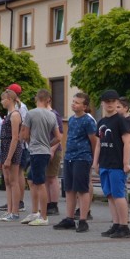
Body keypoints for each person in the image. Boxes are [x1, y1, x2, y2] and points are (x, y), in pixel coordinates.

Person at [53, 92, 97, 232]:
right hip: (69, 157)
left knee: (82, 189)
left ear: (84, 106)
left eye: (77, 102)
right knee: (69, 189)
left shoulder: (88, 121)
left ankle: (83, 219)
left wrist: (94, 159)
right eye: (73, 101)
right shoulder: (71, 119)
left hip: (82, 157)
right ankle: (69, 218)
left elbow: (94, 141)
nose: (74, 104)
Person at [20, 89, 62, 226]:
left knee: (39, 183)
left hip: (36, 151)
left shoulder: (31, 113)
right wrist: (48, 144)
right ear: (48, 100)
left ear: (36, 98)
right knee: (31, 179)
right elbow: (59, 137)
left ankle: (43, 216)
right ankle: (35, 212)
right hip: (44, 150)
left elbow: (25, 135)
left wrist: (29, 141)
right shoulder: (52, 115)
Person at [97, 89, 130, 238]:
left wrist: (125, 163)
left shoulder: (121, 120)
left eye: (113, 102)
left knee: (119, 196)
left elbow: (127, 142)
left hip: (117, 164)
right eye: (107, 102)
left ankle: (124, 227)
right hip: (105, 163)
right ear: (103, 103)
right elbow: (99, 144)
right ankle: (116, 224)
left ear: (117, 103)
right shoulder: (101, 122)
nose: (110, 104)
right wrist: (96, 162)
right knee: (110, 196)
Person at [0, 85, 23, 221]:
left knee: (13, 181)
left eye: (3, 99)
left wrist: (8, 158)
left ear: (9, 99)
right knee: (7, 181)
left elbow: (15, 137)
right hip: (5, 147)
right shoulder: (8, 115)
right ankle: (9, 210)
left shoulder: (15, 115)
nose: (1, 102)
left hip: (12, 149)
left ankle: (15, 211)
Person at [45, 95, 64, 216]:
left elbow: (60, 135)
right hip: (44, 149)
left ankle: (54, 204)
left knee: (52, 178)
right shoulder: (43, 114)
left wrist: (52, 149)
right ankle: (47, 203)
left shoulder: (54, 114)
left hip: (54, 150)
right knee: (46, 178)